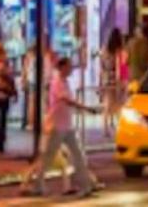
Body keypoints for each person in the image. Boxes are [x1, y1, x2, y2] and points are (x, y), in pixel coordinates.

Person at [21, 56, 97, 198]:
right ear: (61, 67)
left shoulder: (64, 82)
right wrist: (86, 108)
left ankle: (85, 185)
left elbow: (68, 101)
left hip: (65, 125)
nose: (71, 69)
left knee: (77, 155)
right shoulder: (57, 82)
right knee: (47, 158)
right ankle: (36, 185)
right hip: (56, 126)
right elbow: (66, 100)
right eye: (68, 67)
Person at [99, 29, 126, 137]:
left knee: (107, 103)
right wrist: (122, 81)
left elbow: (101, 66)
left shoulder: (104, 50)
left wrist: (101, 78)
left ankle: (106, 127)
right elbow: (121, 67)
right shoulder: (119, 52)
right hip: (115, 79)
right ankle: (118, 126)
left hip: (106, 78)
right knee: (118, 103)